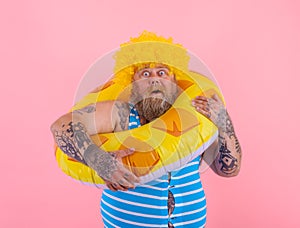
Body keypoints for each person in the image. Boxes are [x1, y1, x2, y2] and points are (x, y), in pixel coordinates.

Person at [51, 32, 242, 228]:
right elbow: (61, 126)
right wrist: (99, 161)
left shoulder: (197, 114)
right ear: (132, 83)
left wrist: (225, 126)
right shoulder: (121, 114)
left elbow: (228, 170)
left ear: (175, 80)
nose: (154, 80)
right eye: (144, 73)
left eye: (162, 72)